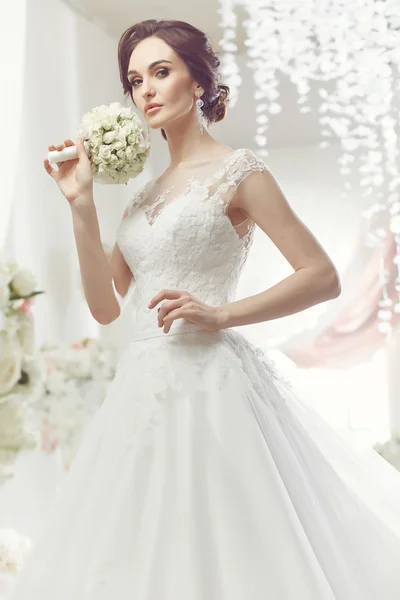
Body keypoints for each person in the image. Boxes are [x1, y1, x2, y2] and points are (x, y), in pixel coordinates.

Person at [12, 18, 400, 600]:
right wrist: (82, 205)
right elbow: (104, 307)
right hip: (141, 392)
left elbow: (322, 276)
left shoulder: (240, 172)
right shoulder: (144, 193)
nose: (144, 89)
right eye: (135, 78)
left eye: (161, 72)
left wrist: (221, 315)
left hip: (213, 387)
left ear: (198, 83)